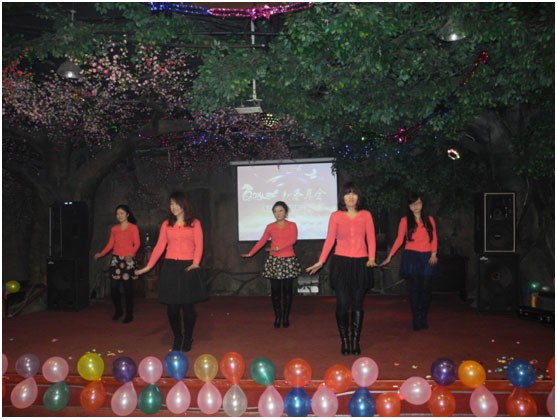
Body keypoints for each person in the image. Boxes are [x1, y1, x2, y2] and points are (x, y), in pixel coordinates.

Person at [306, 182, 377, 356]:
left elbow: (371, 237)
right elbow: (330, 239)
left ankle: (355, 340)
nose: (351, 197)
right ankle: (345, 340)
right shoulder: (336, 216)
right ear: (342, 197)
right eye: (347, 193)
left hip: (361, 263)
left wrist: (371, 257)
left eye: (354, 193)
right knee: (343, 303)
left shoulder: (366, 215)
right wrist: (321, 261)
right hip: (341, 263)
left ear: (358, 197)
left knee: (358, 303)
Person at [135, 191, 207, 352]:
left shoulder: (194, 223)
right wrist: (148, 267)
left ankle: (188, 337)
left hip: (188, 266)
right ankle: (178, 337)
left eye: (176, 203)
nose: (173, 207)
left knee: (188, 308)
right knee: (172, 309)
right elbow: (160, 246)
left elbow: (199, 244)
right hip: (170, 267)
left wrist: (196, 263)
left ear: (184, 204)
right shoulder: (166, 224)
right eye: (171, 204)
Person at [380, 192, 438, 331]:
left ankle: (423, 316)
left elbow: (434, 237)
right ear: (409, 206)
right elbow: (399, 239)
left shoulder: (430, 219)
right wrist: (390, 256)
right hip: (411, 257)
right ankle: (416, 319)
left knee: (426, 290)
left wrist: (434, 254)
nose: (415, 206)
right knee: (415, 289)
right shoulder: (405, 221)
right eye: (412, 204)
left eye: (418, 203)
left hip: (427, 257)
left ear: (422, 204)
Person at [241, 201, 301, 328]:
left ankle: (285, 317)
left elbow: (293, 240)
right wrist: (251, 253)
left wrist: (279, 247)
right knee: (275, 291)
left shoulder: (292, 225)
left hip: (288, 260)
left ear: (286, 212)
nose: (278, 213)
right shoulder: (270, 227)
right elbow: (262, 240)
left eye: (280, 211)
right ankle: (277, 317)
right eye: (275, 211)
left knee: (287, 290)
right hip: (274, 260)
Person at [94, 204, 140, 323]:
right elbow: (110, 244)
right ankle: (118, 310)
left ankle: (129, 313)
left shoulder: (133, 228)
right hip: (116, 260)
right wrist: (101, 254)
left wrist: (131, 254)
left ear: (127, 214)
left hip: (128, 260)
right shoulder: (114, 229)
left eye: (121, 213)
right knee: (113, 287)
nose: (119, 216)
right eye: (117, 214)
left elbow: (137, 243)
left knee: (128, 289)